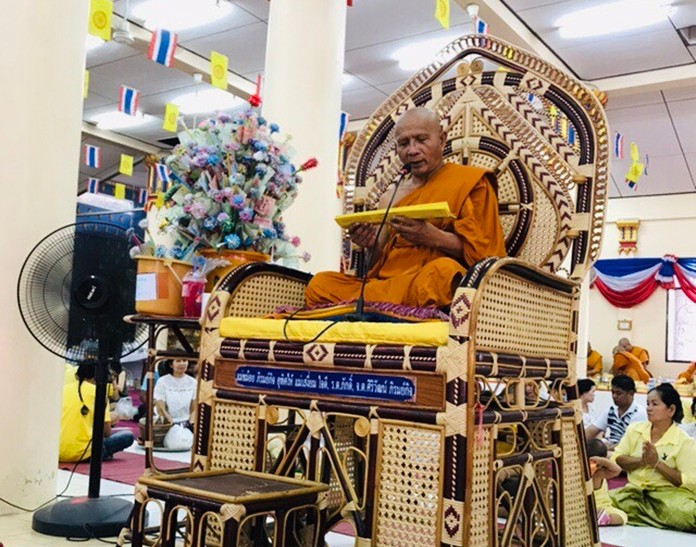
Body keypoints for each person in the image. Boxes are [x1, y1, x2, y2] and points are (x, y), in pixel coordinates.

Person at [305, 107, 506, 309]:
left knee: (444, 273)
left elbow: (485, 256)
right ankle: (379, 306)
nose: (412, 150)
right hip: (385, 286)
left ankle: (369, 307)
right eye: (404, 143)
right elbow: (376, 263)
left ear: (442, 140)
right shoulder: (389, 197)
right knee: (320, 284)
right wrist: (369, 243)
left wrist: (433, 237)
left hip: (424, 283)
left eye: (421, 140)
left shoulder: (471, 183)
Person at [609, 383, 696, 532]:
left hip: (667, 497)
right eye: (647, 403)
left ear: (671, 410)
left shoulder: (683, 441)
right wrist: (641, 461)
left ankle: (632, 516)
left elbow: (688, 481)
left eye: (654, 404)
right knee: (593, 501)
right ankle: (652, 518)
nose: (649, 408)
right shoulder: (635, 430)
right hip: (633, 494)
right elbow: (618, 459)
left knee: (689, 514)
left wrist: (656, 463)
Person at [59, 360, 135, 462]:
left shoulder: (61, 389)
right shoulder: (99, 393)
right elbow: (106, 433)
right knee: (127, 436)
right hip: (85, 453)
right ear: (97, 378)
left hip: (57, 452)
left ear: (76, 376)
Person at [585, 375, 647, 448]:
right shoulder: (611, 411)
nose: (614, 396)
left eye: (618, 393)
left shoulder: (639, 413)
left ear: (631, 393)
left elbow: (628, 443)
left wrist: (605, 450)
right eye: (613, 392)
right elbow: (590, 431)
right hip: (610, 451)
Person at [586, 438, 627, 526]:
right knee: (622, 516)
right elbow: (617, 470)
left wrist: (601, 461)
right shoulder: (596, 474)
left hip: (603, 508)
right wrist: (602, 461)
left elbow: (617, 470)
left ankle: (600, 518)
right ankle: (600, 518)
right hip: (593, 507)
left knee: (621, 515)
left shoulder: (598, 473)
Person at [153, 358, 197, 427]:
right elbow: (161, 408)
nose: (182, 363)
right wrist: (171, 424)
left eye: (184, 360)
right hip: (167, 424)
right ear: (171, 365)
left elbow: (194, 408)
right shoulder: (162, 381)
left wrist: (190, 424)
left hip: (187, 423)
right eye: (178, 361)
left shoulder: (193, 382)